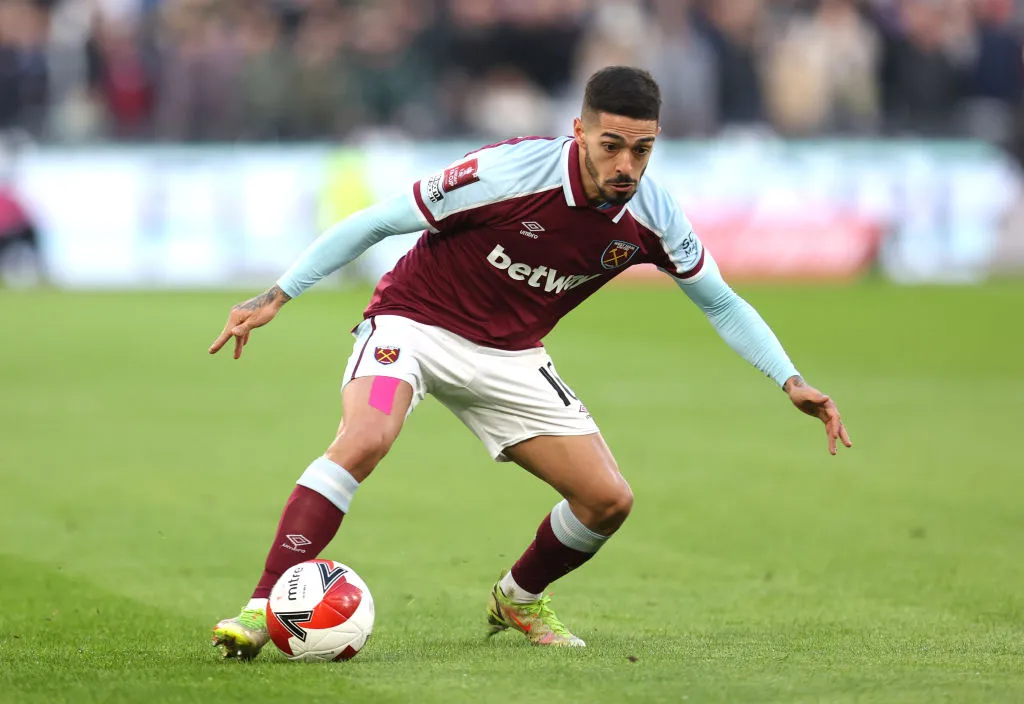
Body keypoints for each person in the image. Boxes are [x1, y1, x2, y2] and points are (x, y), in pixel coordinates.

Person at [208, 66, 852, 658]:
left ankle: (517, 599)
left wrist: (790, 379)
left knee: (607, 500)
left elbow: (722, 302)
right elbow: (377, 222)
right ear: (580, 131)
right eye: (611, 146)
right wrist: (277, 294)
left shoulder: (653, 216)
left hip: (511, 359)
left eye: (642, 150)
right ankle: (262, 607)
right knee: (366, 436)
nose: (626, 165)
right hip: (411, 328)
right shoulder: (507, 172)